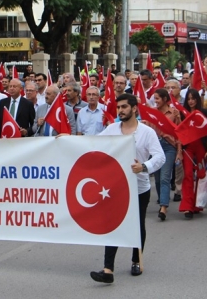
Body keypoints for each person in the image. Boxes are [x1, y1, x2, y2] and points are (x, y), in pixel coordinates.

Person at [87, 93, 165, 283]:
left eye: (124, 107)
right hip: (114, 187)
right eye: (118, 107)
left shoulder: (147, 132)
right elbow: (92, 145)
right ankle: (108, 269)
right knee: (112, 225)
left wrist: (144, 167)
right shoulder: (112, 129)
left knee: (137, 225)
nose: (120, 111)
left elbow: (160, 157)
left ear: (134, 108)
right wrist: (67, 139)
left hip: (139, 188)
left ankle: (136, 260)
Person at [147, 88, 181, 220]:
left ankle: (163, 207)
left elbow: (178, 132)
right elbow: (148, 130)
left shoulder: (174, 113)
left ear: (165, 99)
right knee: (157, 177)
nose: (155, 101)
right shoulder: (152, 113)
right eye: (154, 98)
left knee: (165, 177)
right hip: (154, 147)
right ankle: (163, 198)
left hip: (168, 146)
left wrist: (179, 151)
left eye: (157, 98)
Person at [178, 89, 207, 219]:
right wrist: (180, 151)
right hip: (188, 148)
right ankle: (187, 206)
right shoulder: (182, 113)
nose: (191, 101)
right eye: (189, 99)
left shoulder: (203, 112)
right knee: (187, 174)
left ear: (197, 99)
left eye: (193, 98)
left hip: (201, 147)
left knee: (201, 175)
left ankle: (198, 204)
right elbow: (180, 133)